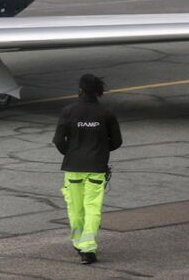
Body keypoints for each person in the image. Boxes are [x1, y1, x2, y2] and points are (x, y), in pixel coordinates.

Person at [52, 73, 122, 265]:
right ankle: (88, 248)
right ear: (98, 92)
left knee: (75, 208)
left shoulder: (68, 111)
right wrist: (99, 151)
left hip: (73, 168)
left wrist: (72, 153)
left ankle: (78, 241)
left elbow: (58, 140)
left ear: (80, 90)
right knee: (93, 207)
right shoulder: (106, 113)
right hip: (96, 168)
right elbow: (117, 142)